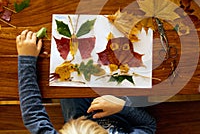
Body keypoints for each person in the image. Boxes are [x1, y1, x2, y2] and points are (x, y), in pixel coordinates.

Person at [16, 29, 156, 134]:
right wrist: (122, 107)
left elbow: (33, 117)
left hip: (80, 109)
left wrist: (26, 58)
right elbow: (148, 126)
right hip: (122, 113)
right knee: (138, 68)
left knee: (74, 58)